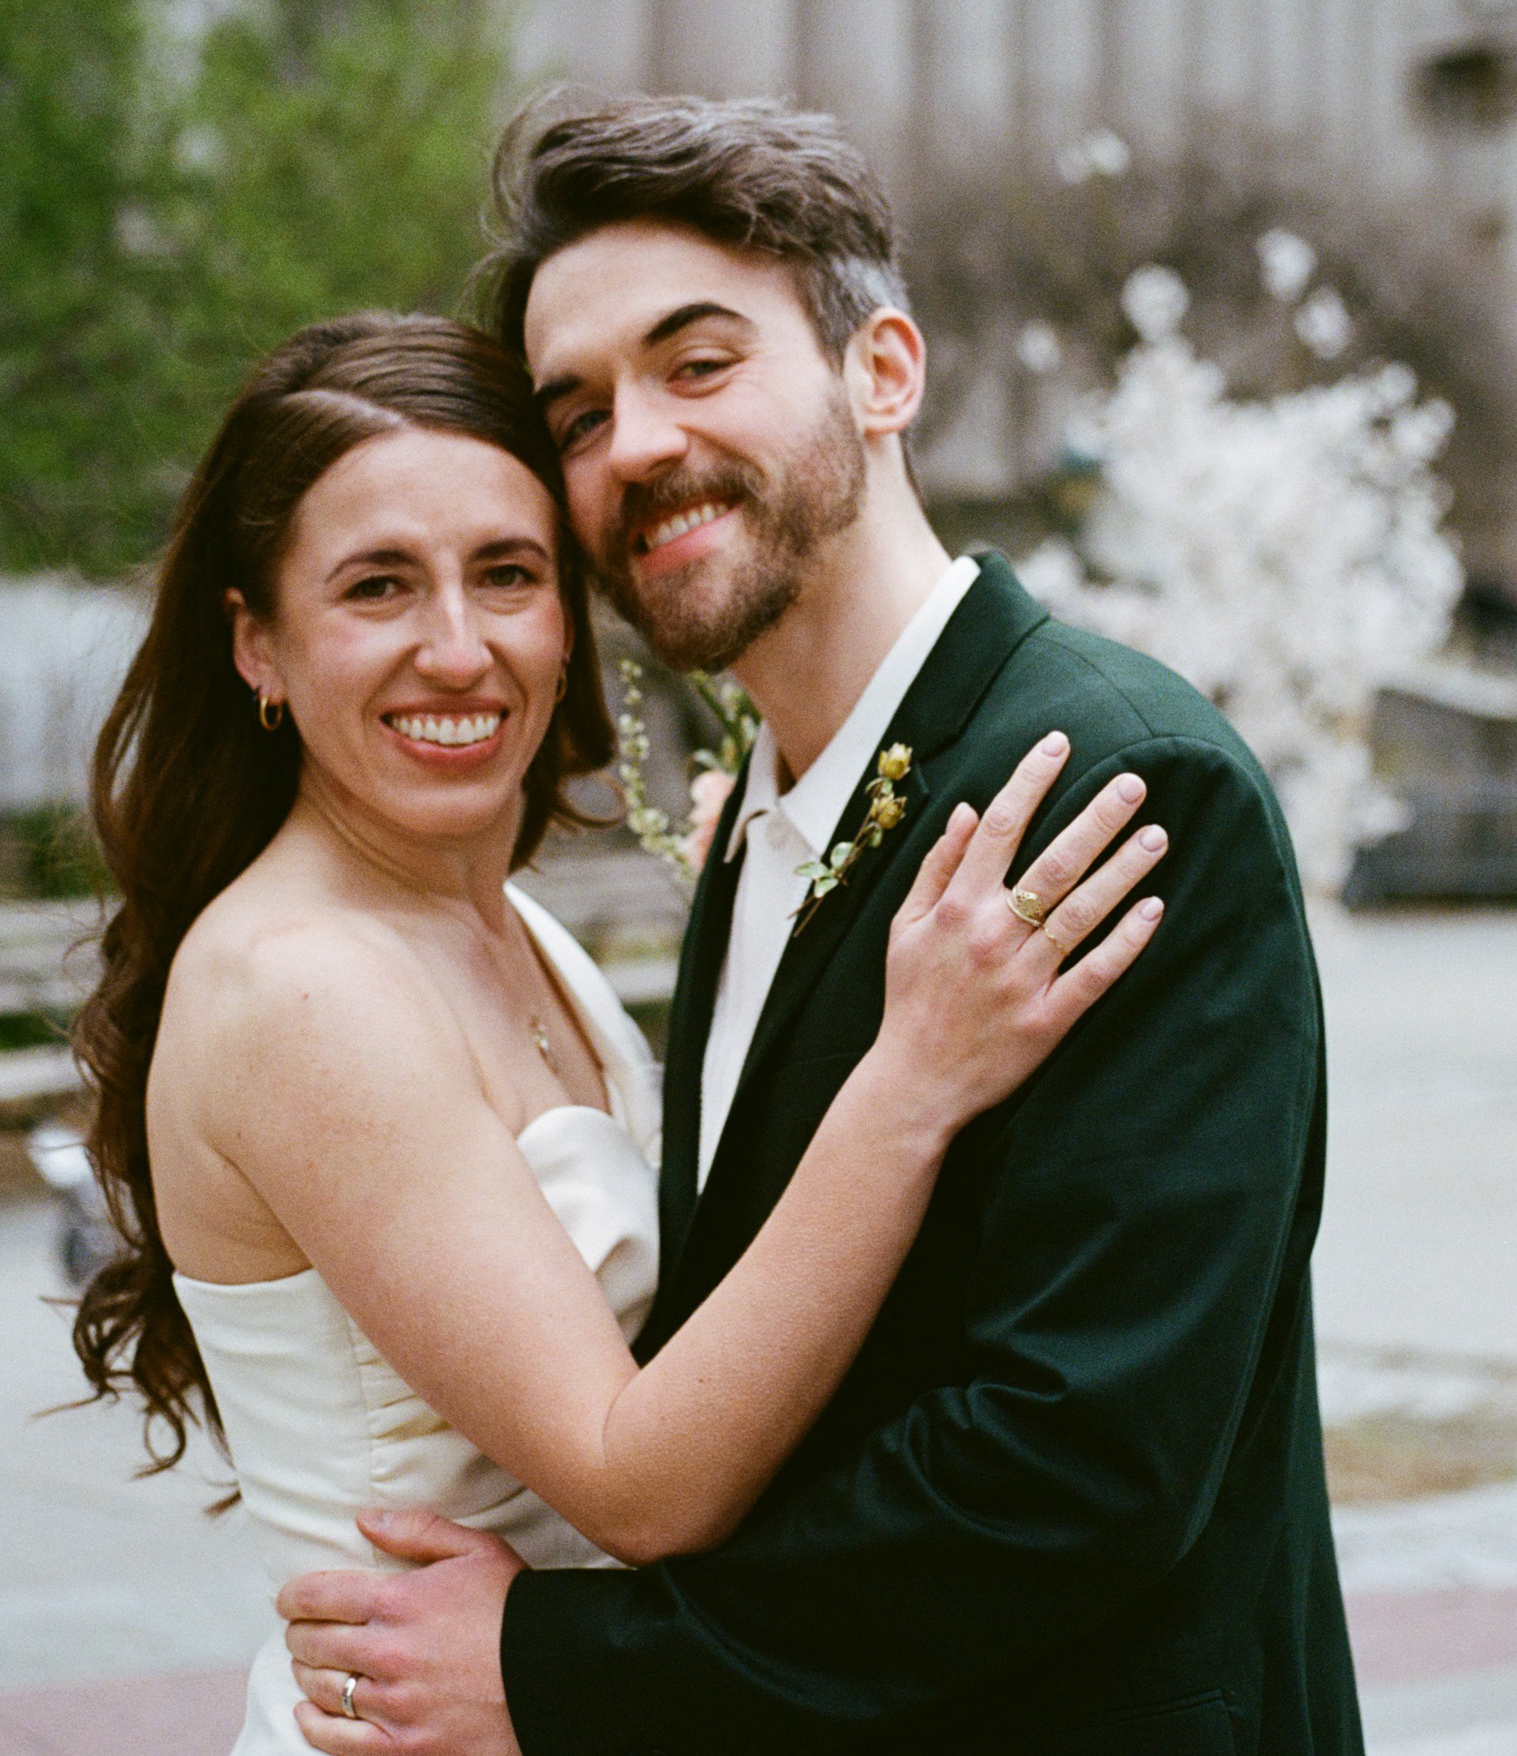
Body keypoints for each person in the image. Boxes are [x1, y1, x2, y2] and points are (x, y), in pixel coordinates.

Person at [280, 99, 1364, 1756]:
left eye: (697, 363)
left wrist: (576, 1668)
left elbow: (1081, 1458)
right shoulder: (763, 814)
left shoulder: (1112, 785)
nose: (635, 446)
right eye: (578, 415)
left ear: (883, 372)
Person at [71, 310, 1165, 1755]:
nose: (456, 648)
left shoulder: (519, 934)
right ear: (256, 644)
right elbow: (636, 1482)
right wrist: (911, 1080)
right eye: (378, 586)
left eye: (507, 575)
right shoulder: (301, 990)